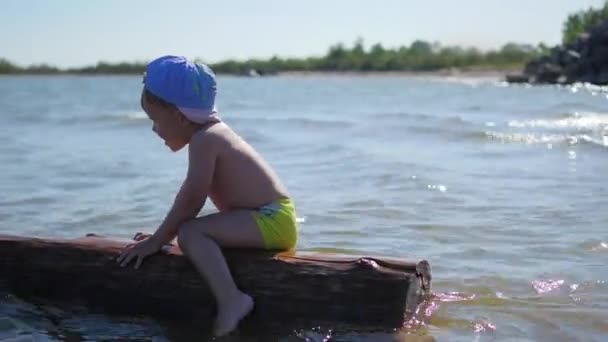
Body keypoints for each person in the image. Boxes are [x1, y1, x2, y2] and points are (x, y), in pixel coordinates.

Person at [116, 55, 298, 337]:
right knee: (191, 232)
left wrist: (158, 240)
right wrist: (163, 237)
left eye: (155, 119)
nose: (154, 129)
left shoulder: (205, 139)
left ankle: (232, 300)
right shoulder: (211, 135)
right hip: (270, 218)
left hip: (271, 219)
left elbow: (192, 198)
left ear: (178, 115)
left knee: (191, 233)